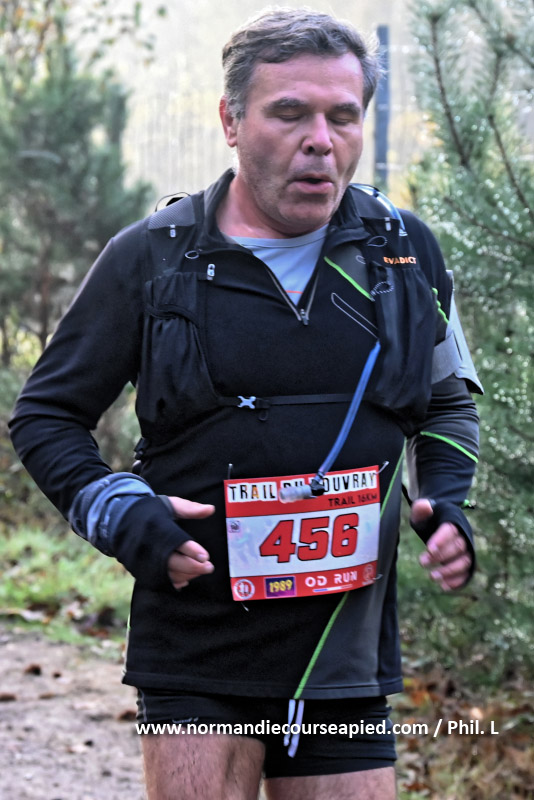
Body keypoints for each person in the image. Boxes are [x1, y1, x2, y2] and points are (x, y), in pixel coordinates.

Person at [9, 7, 482, 799]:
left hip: (341, 650)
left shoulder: (404, 253)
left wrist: (447, 502)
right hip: (197, 641)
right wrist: (118, 510)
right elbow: (45, 416)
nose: (320, 141)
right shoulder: (152, 259)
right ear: (231, 121)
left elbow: (447, 404)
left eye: (343, 117)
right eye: (289, 113)